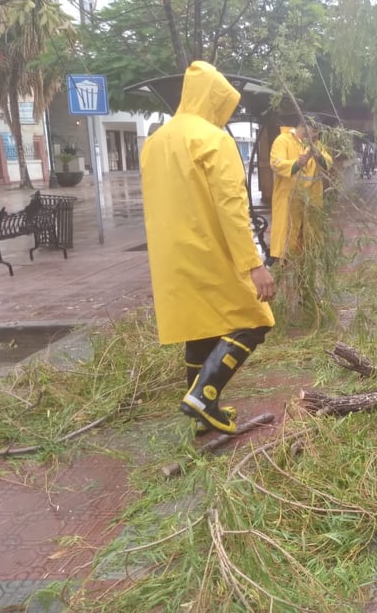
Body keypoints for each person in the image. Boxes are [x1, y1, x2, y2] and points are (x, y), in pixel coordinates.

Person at [140, 60, 276, 435]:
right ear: (215, 99)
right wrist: (254, 265)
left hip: (171, 257)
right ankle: (204, 394)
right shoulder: (213, 140)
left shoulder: (155, 142)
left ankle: (202, 409)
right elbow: (232, 208)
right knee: (255, 319)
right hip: (209, 250)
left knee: (198, 326)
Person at [269, 119, 332, 263]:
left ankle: (304, 274)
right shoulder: (283, 140)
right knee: (287, 239)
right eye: (314, 130)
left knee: (309, 244)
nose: (316, 134)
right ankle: (282, 269)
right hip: (289, 199)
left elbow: (328, 161)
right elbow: (276, 163)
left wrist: (317, 155)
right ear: (305, 127)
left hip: (311, 201)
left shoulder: (315, 145)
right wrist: (297, 164)